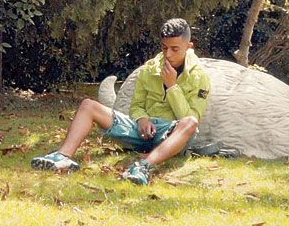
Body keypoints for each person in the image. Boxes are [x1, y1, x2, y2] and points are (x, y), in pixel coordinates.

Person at [31, 18, 211, 185]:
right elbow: (137, 105)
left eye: (175, 49)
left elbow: (189, 118)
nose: (168, 54)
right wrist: (142, 120)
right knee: (88, 105)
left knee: (191, 123)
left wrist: (172, 87)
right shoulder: (149, 68)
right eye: (164, 48)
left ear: (189, 46)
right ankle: (63, 156)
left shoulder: (199, 76)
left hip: (172, 134)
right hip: (142, 131)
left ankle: (143, 166)